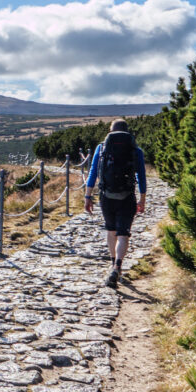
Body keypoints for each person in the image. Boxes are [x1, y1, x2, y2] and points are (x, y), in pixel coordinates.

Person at [84, 119, 147, 287]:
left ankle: (112, 264)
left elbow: (93, 173)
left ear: (110, 131)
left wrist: (88, 196)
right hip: (127, 196)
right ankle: (118, 265)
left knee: (111, 230)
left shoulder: (102, 148)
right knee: (123, 234)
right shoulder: (136, 150)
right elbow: (141, 176)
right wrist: (142, 199)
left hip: (106, 196)